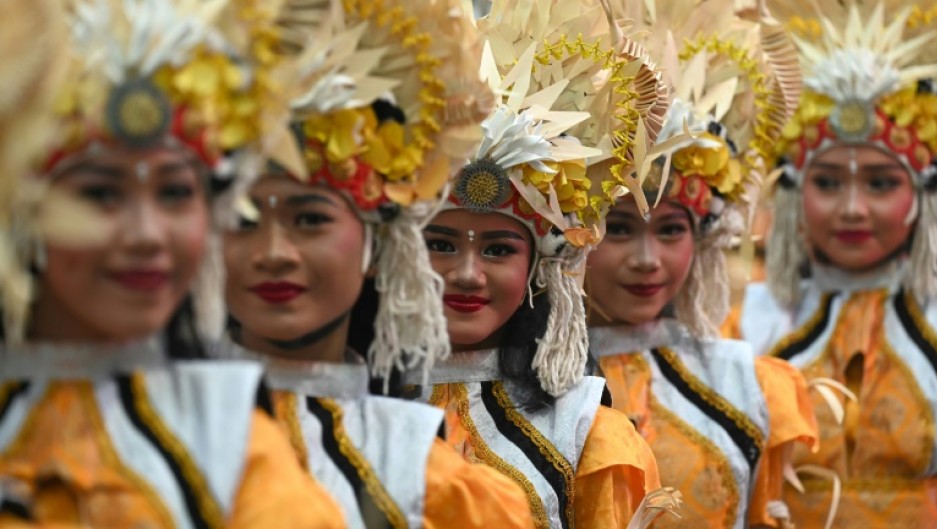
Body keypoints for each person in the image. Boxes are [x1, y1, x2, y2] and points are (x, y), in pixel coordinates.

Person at [0, 0, 345, 527]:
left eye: (175, 192)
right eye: (100, 194)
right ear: (22, 207)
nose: (147, 235)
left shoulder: (239, 454)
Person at [215, 1, 536, 528]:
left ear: (378, 247)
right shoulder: (131, 431)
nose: (273, 252)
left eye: (310, 219)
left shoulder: (433, 482)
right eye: (245, 220)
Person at [407, 1, 682, 527]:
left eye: (497, 249)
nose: (467, 273)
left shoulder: (585, 434)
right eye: (439, 244)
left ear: (541, 264)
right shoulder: (345, 403)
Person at [586, 2, 819, 527]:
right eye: (618, 228)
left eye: (671, 230)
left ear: (704, 234)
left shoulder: (744, 384)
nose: (648, 261)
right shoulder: (520, 386)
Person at [723, 1, 937, 526]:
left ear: (924, 194)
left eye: (881, 183)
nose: (852, 208)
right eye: (827, 182)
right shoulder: (745, 321)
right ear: (794, 193)